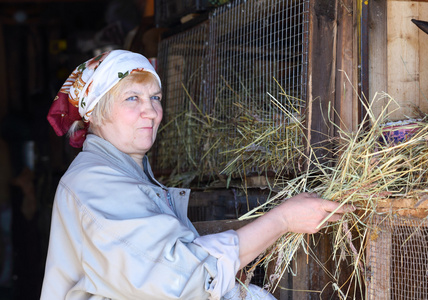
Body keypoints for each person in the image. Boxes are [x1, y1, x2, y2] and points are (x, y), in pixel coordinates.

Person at [41, 50, 353, 299]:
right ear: (93, 113)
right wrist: (282, 220)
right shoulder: (95, 183)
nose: (151, 110)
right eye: (132, 98)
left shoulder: (126, 173)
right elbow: (180, 277)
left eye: (155, 97)